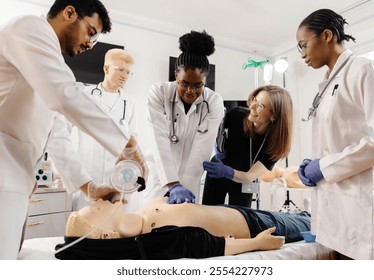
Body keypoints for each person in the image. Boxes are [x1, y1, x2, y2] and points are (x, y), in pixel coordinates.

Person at [0, 0, 138, 260]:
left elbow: (57, 136)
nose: (90, 44)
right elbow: (63, 97)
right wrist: (127, 144)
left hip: (15, 179)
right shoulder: (29, 28)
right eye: (91, 33)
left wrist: (89, 188)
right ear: (69, 12)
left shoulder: (54, 66)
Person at [296, 8, 374, 259]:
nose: (303, 54)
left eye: (304, 45)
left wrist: (323, 166)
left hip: (364, 211)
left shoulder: (365, 70)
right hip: (338, 215)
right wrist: (315, 163)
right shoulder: (327, 84)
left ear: (326, 35)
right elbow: (337, 140)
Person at [54, 197, 310, 259]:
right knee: (312, 221)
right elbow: (208, 245)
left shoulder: (139, 215)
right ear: (107, 234)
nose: (98, 201)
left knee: (307, 215)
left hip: (238, 211)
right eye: (97, 208)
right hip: (256, 225)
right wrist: (257, 244)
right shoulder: (152, 239)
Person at [145, 30, 225, 204]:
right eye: (184, 84)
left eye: (198, 85)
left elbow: (201, 150)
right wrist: (173, 184)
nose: (190, 91)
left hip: (190, 183)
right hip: (160, 180)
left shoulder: (214, 102)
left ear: (205, 80)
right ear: (176, 75)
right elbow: (158, 138)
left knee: (183, 225)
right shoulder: (159, 93)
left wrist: (184, 191)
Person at [71, 48, 142, 211]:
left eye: (129, 72)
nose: (125, 75)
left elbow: (133, 143)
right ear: (106, 69)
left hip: (119, 180)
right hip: (89, 177)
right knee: (84, 227)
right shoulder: (85, 95)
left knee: (115, 230)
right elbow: (63, 131)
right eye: (121, 69)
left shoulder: (128, 103)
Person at [202, 85, 293, 207]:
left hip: (242, 180)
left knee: (240, 221)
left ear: (274, 116)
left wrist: (227, 172)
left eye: (260, 106)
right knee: (208, 214)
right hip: (218, 168)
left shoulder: (275, 145)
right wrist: (218, 150)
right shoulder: (235, 115)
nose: (251, 106)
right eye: (255, 99)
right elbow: (218, 135)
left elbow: (249, 176)